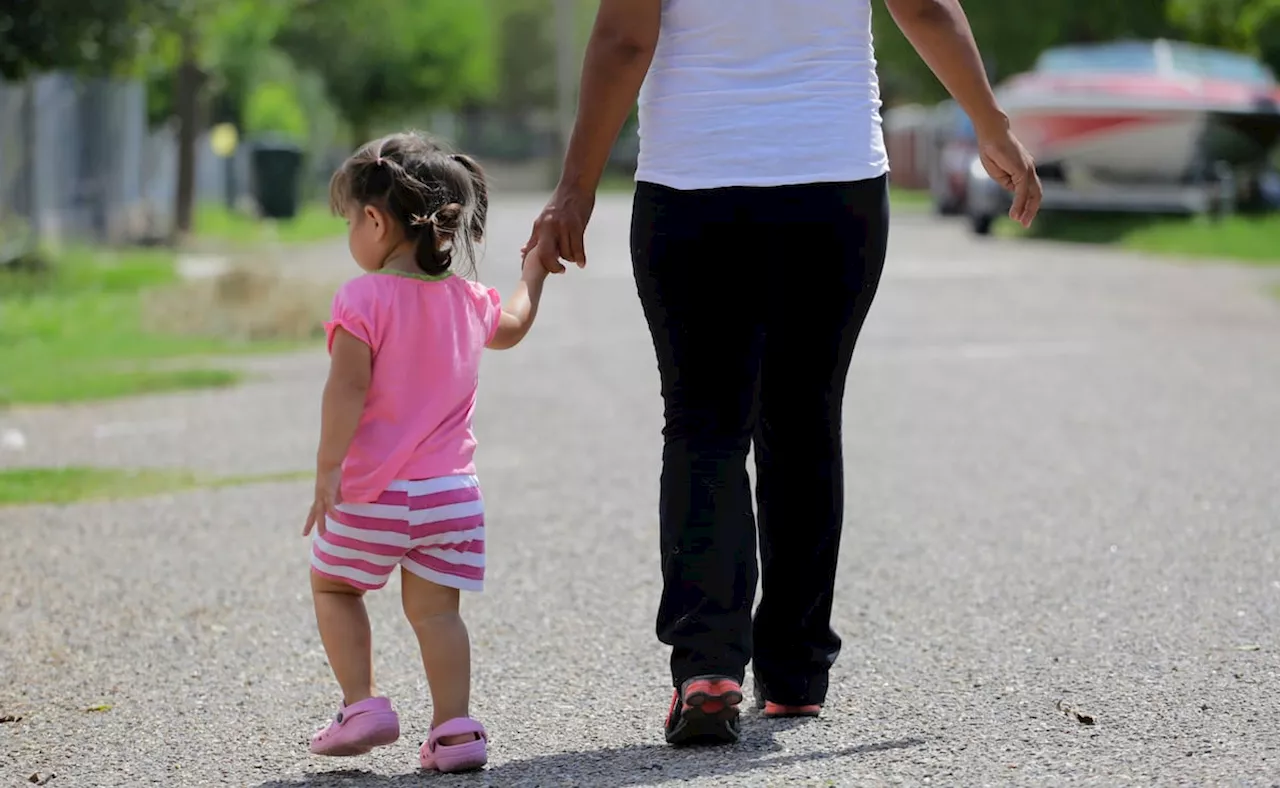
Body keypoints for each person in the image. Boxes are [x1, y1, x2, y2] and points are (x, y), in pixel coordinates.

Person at [524, 0, 1042, 746]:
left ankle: (707, 668)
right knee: (803, 418)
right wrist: (990, 123)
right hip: (834, 187)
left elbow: (623, 37)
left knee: (704, 425)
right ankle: (795, 674)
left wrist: (576, 185)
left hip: (695, 186)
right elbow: (925, 8)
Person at [303, 131, 549, 772]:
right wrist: (533, 271)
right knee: (438, 613)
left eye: (351, 222)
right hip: (451, 498)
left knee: (334, 585)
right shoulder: (469, 301)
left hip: (372, 493)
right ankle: (456, 730)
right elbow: (516, 324)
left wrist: (328, 468)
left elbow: (347, 388)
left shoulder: (361, 299)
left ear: (377, 220)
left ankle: (362, 703)